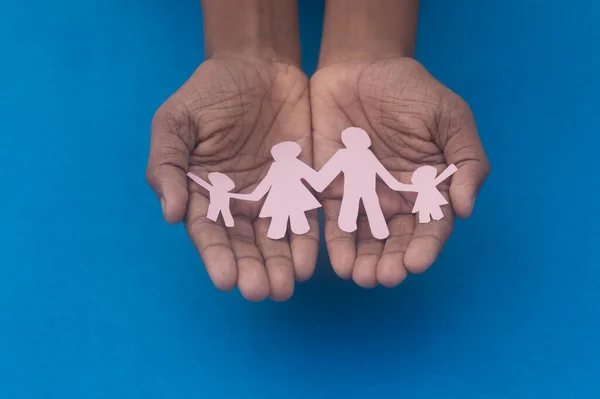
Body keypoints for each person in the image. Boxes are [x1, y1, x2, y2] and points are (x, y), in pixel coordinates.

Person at [146, 0, 491, 301]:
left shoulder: (348, 156)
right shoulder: (305, 163)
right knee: (318, 211)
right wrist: (244, 46)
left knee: (361, 205)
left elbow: (365, 175)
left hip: (355, 188)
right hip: (316, 191)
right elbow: (318, 176)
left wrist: (369, 44)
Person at [233, 141, 322, 240]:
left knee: (293, 219)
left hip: (289, 198)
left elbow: (265, 184)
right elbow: (266, 184)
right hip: (286, 198)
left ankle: (289, 230)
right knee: (285, 220)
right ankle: (283, 231)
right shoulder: (281, 166)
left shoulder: (291, 164)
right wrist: (252, 195)